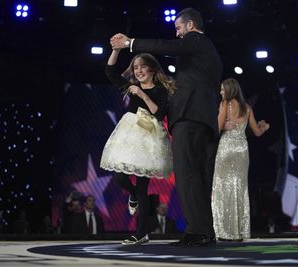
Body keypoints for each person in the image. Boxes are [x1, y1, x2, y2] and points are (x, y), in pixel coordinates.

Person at [110, 7, 223, 247]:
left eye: (179, 28)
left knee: (188, 175)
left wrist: (131, 43)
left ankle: (197, 231)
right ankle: (204, 230)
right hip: (201, 118)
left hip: (190, 117)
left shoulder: (197, 41)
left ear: (190, 25)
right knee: (198, 177)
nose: (178, 34)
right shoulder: (206, 52)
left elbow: (167, 46)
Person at [100, 46, 175, 245]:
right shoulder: (130, 86)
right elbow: (110, 72)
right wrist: (115, 50)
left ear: (151, 69)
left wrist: (142, 95)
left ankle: (141, 233)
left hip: (149, 139)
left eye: (143, 67)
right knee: (119, 177)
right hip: (129, 136)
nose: (139, 71)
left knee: (143, 187)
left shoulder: (160, 89)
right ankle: (131, 194)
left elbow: (159, 115)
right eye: (135, 68)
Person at [211, 78, 270, 241]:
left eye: (222, 90)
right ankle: (238, 231)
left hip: (226, 149)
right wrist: (264, 127)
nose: (221, 92)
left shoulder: (225, 104)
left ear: (229, 90)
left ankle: (223, 231)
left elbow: (217, 128)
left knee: (222, 188)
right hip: (242, 151)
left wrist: (222, 126)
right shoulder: (247, 108)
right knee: (239, 189)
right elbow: (257, 132)